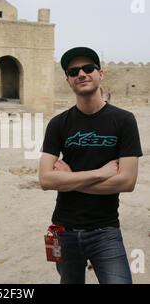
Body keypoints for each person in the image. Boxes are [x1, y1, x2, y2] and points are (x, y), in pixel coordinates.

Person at [39, 47, 142, 284]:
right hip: (63, 230)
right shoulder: (58, 124)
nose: (81, 74)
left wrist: (69, 180)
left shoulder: (124, 121)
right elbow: (45, 180)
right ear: (68, 80)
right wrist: (100, 173)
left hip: (105, 230)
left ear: (100, 74)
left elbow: (127, 182)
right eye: (74, 71)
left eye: (88, 68)